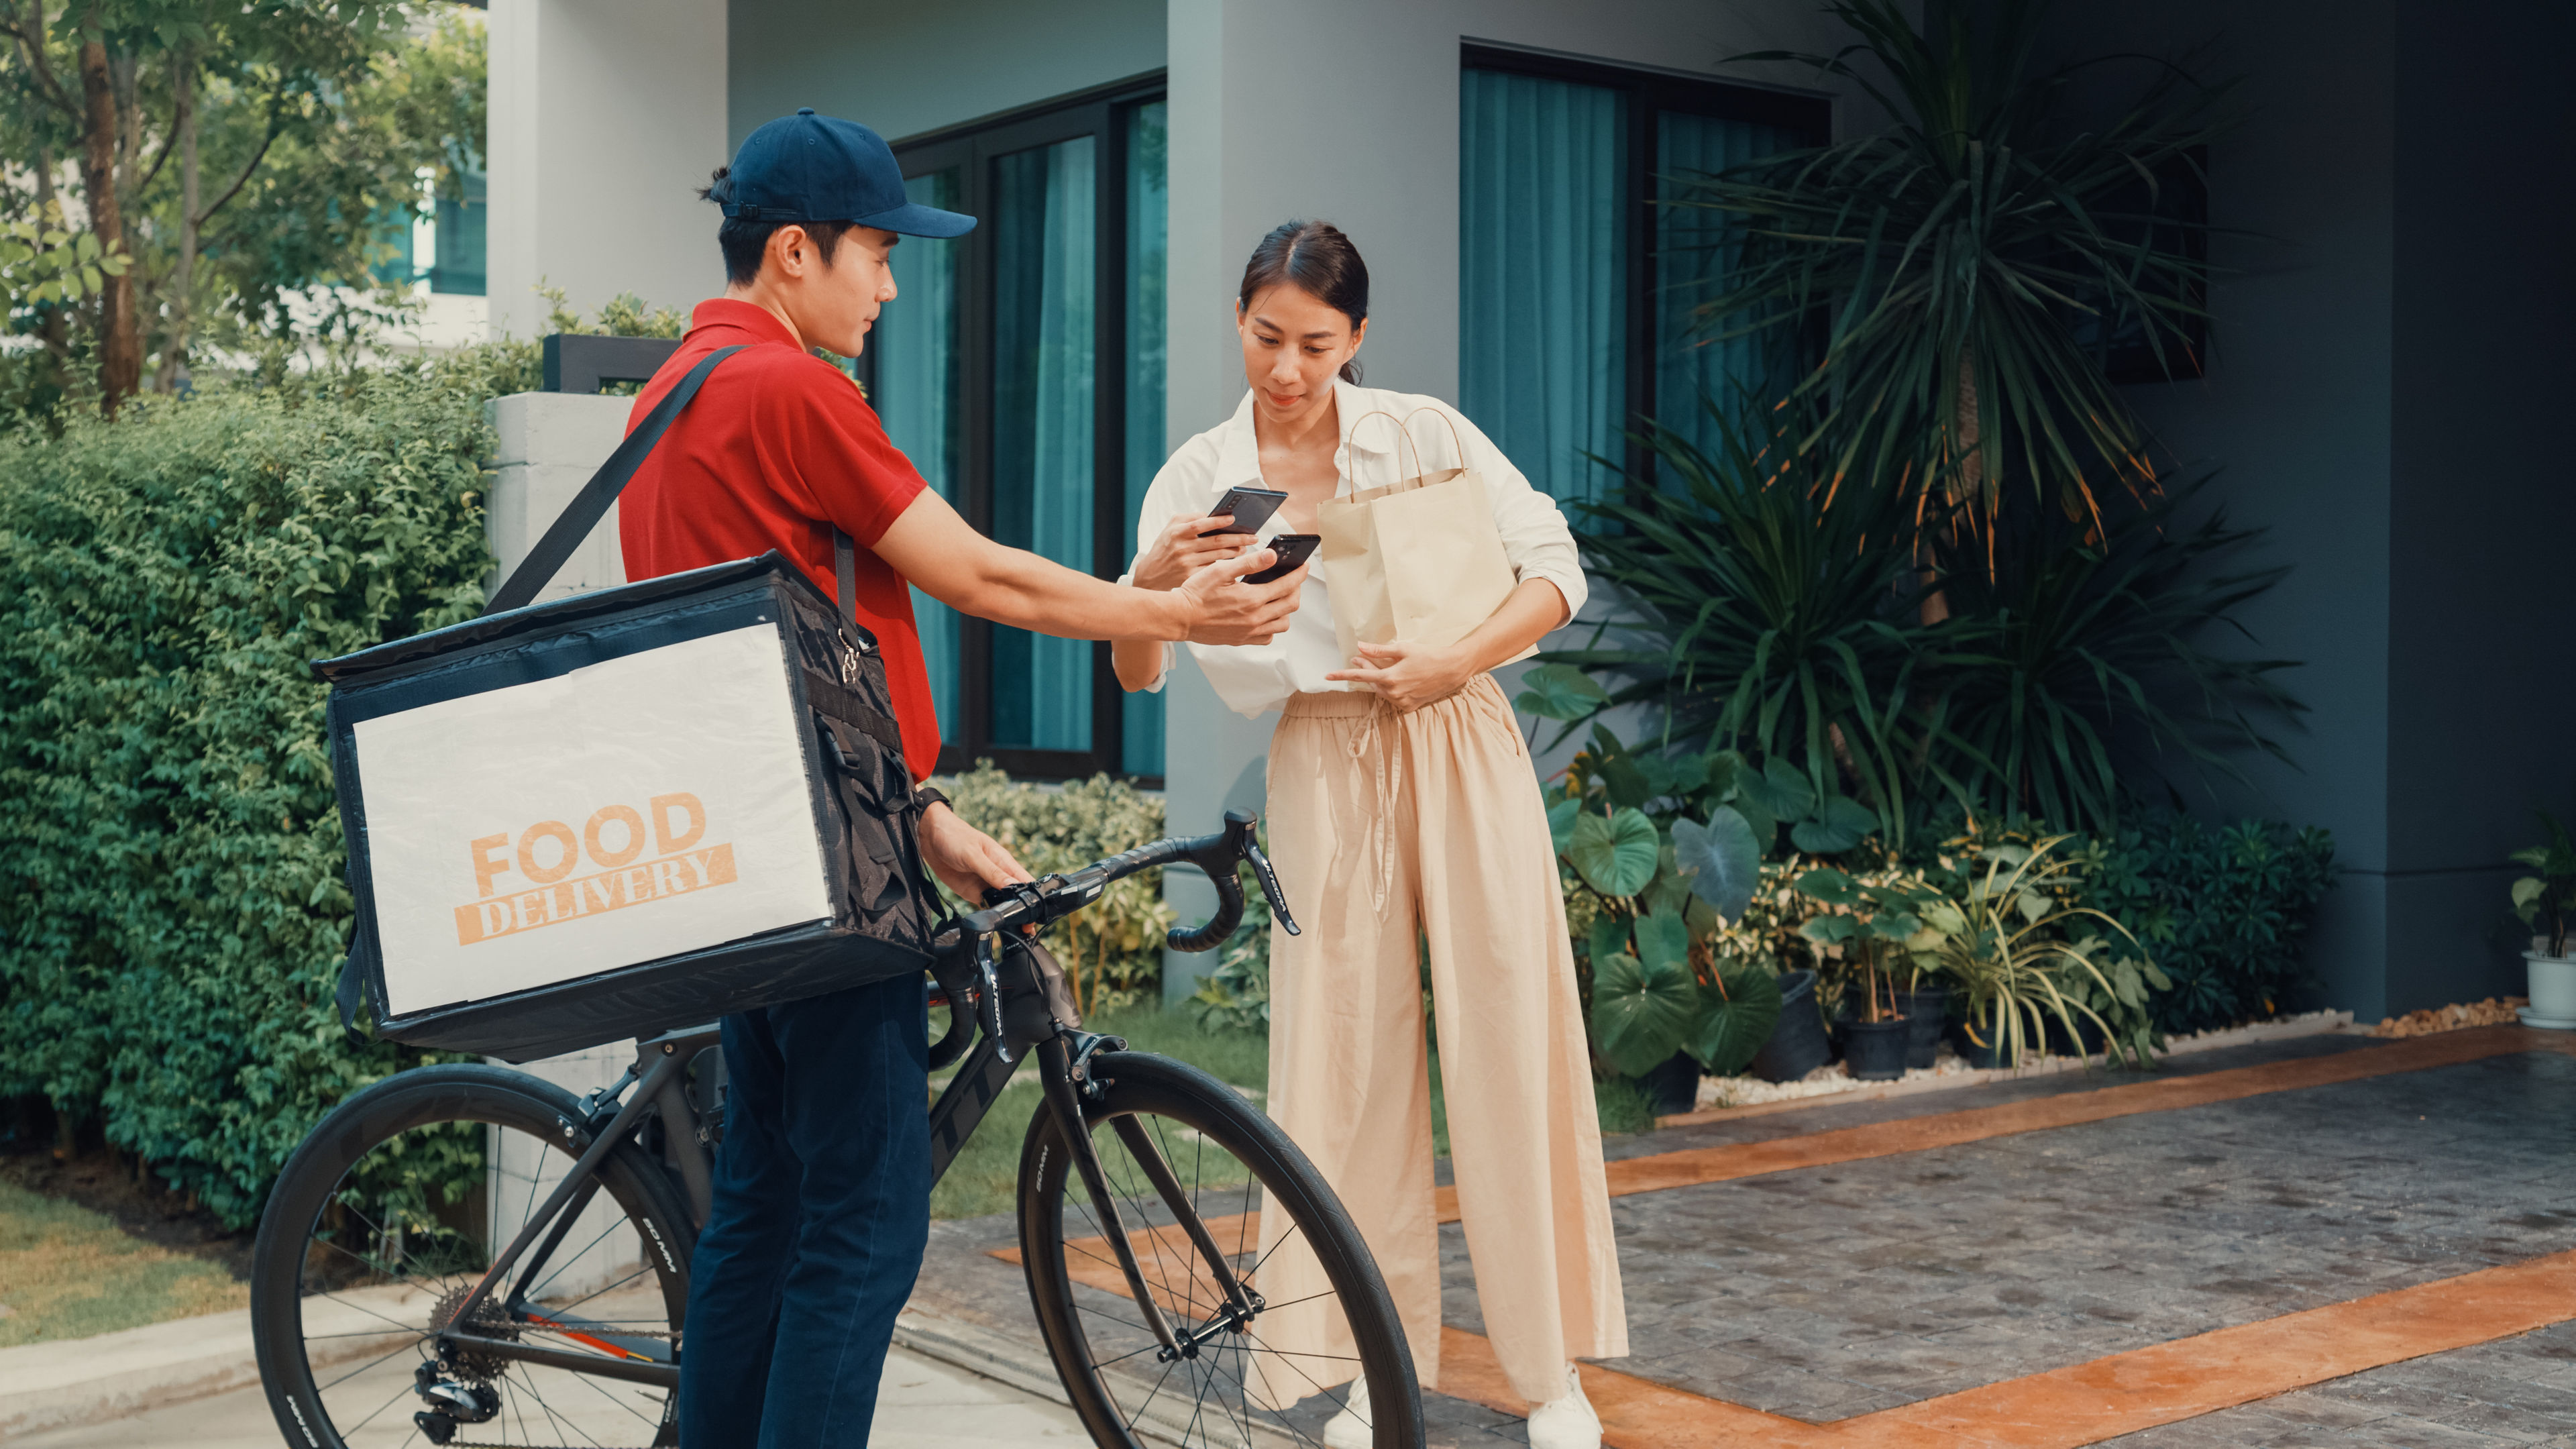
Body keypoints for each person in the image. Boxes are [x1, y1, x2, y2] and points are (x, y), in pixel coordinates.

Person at [614, 110, 1307, 1449]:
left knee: (762, 1211)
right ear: (795, 251)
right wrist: (1166, 618)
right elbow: (970, 570)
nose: (889, 282)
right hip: (826, 879)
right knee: (864, 1233)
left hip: (756, 858)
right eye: (876, 252)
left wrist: (924, 806)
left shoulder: (675, 394)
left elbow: (789, 650)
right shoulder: (786, 389)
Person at [1112, 221, 1627, 1449]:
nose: (1287, 369)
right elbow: (1137, 670)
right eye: (1265, 337)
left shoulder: (1428, 433)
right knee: (1341, 1067)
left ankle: (1549, 1373)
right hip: (1324, 754)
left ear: (1358, 338)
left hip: (1459, 731)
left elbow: (1557, 567)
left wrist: (1457, 656)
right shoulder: (1199, 474)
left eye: (1316, 343)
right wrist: (1149, 577)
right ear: (1238, 319)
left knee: (1511, 1037)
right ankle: (1357, 1371)